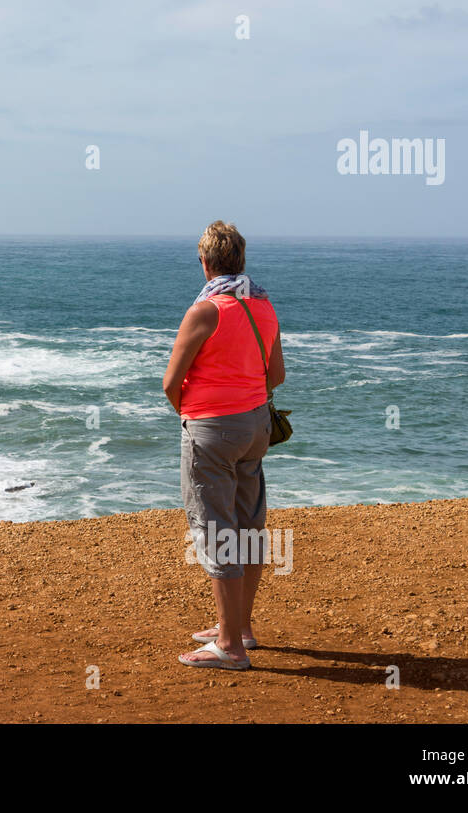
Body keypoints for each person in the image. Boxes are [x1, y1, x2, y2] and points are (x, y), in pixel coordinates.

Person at [163, 221, 285, 670]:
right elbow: (277, 376)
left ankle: (230, 648)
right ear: (241, 260)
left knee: (217, 532)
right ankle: (241, 627)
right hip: (255, 428)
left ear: (206, 263)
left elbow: (171, 382)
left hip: (213, 429)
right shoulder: (263, 306)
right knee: (248, 527)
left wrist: (192, 415)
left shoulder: (205, 312)